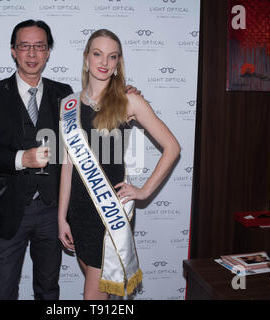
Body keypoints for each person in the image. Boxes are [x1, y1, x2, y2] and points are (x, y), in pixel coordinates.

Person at [0, 20, 140, 300]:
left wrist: (126, 97)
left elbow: (97, 123)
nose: (32, 54)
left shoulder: (65, 96)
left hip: (53, 213)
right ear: (13, 51)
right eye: (25, 46)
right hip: (9, 210)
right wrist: (20, 158)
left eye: (40, 46)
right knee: (2, 291)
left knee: (48, 290)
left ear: (49, 52)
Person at [58, 29, 181, 300]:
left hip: (108, 213)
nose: (104, 62)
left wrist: (144, 191)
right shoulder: (69, 104)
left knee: (93, 296)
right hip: (78, 212)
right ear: (86, 58)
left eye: (112, 57)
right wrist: (61, 216)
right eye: (98, 54)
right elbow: (68, 165)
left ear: (118, 63)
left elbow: (172, 147)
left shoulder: (129, 101)